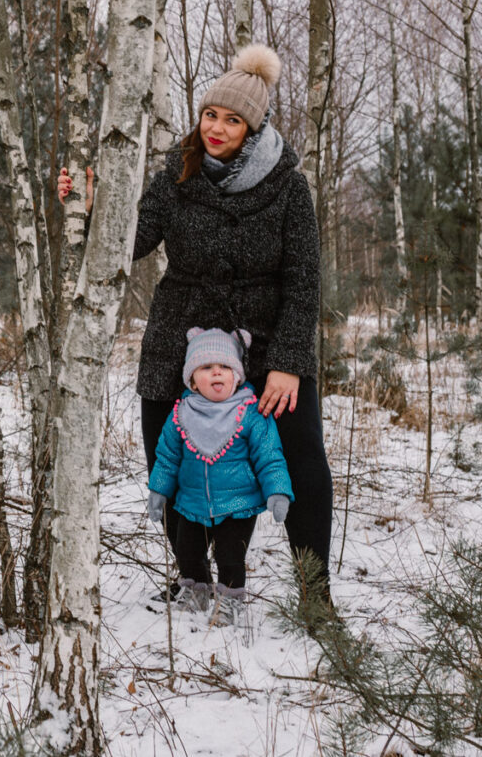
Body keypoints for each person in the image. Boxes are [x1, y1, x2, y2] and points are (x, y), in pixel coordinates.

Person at [60, 43, 335, 623]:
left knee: (301, 462)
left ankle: (316, 596)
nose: (216, 128)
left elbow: (304, 279)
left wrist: (288, 359)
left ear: (253, 127)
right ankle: (195, 579)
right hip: (179, 338)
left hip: (265, 346)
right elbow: (128, 243)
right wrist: (86, 207)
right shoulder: (177, 172)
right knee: (175, 456)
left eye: (233, 119)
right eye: (211, 113)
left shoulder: (289, 186)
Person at [146, 327, 294, 627]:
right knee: (187, 552)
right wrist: (158, 491)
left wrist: (278, 491)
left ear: (237, 375)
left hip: (238, 505)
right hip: (191, 504)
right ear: (192, 379)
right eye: (206, 367)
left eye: (225, 367)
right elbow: (167, 458)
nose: (217, 373)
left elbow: (269, 456)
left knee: (230, 558)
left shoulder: (251, 413)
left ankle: (229, 602)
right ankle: (196, 591)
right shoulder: (181, 414)